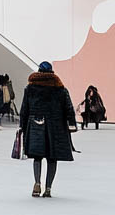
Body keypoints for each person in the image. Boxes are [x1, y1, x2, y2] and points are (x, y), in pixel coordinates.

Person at [20, 62, 76, 198]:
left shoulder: (30, 88)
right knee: (52, 158)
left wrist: (23, 126)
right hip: (56, 127)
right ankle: (48, 188)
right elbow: (68, 108)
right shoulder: (60, 88)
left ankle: (37, 183)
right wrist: (71, 125)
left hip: (36, 124)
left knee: (37, 156)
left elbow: (24, 109)